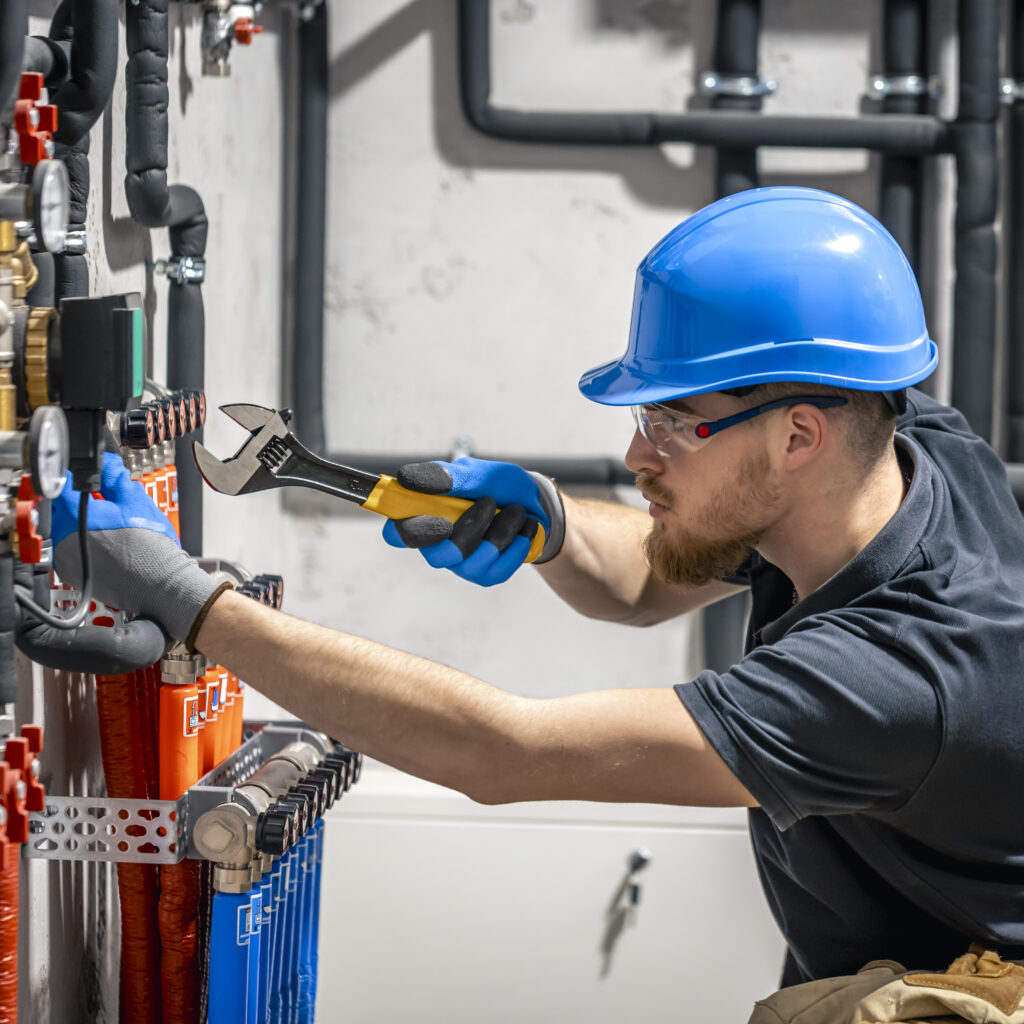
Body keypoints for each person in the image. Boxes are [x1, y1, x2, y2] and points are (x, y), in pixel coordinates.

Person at [50, 187, 1024, 985]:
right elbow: (649, 578)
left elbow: (507, 753)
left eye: (674, 420)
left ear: (799, 434)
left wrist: (188, 600)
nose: (637, 454)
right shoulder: (903, 449)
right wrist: (548, 523)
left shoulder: (903, 675)